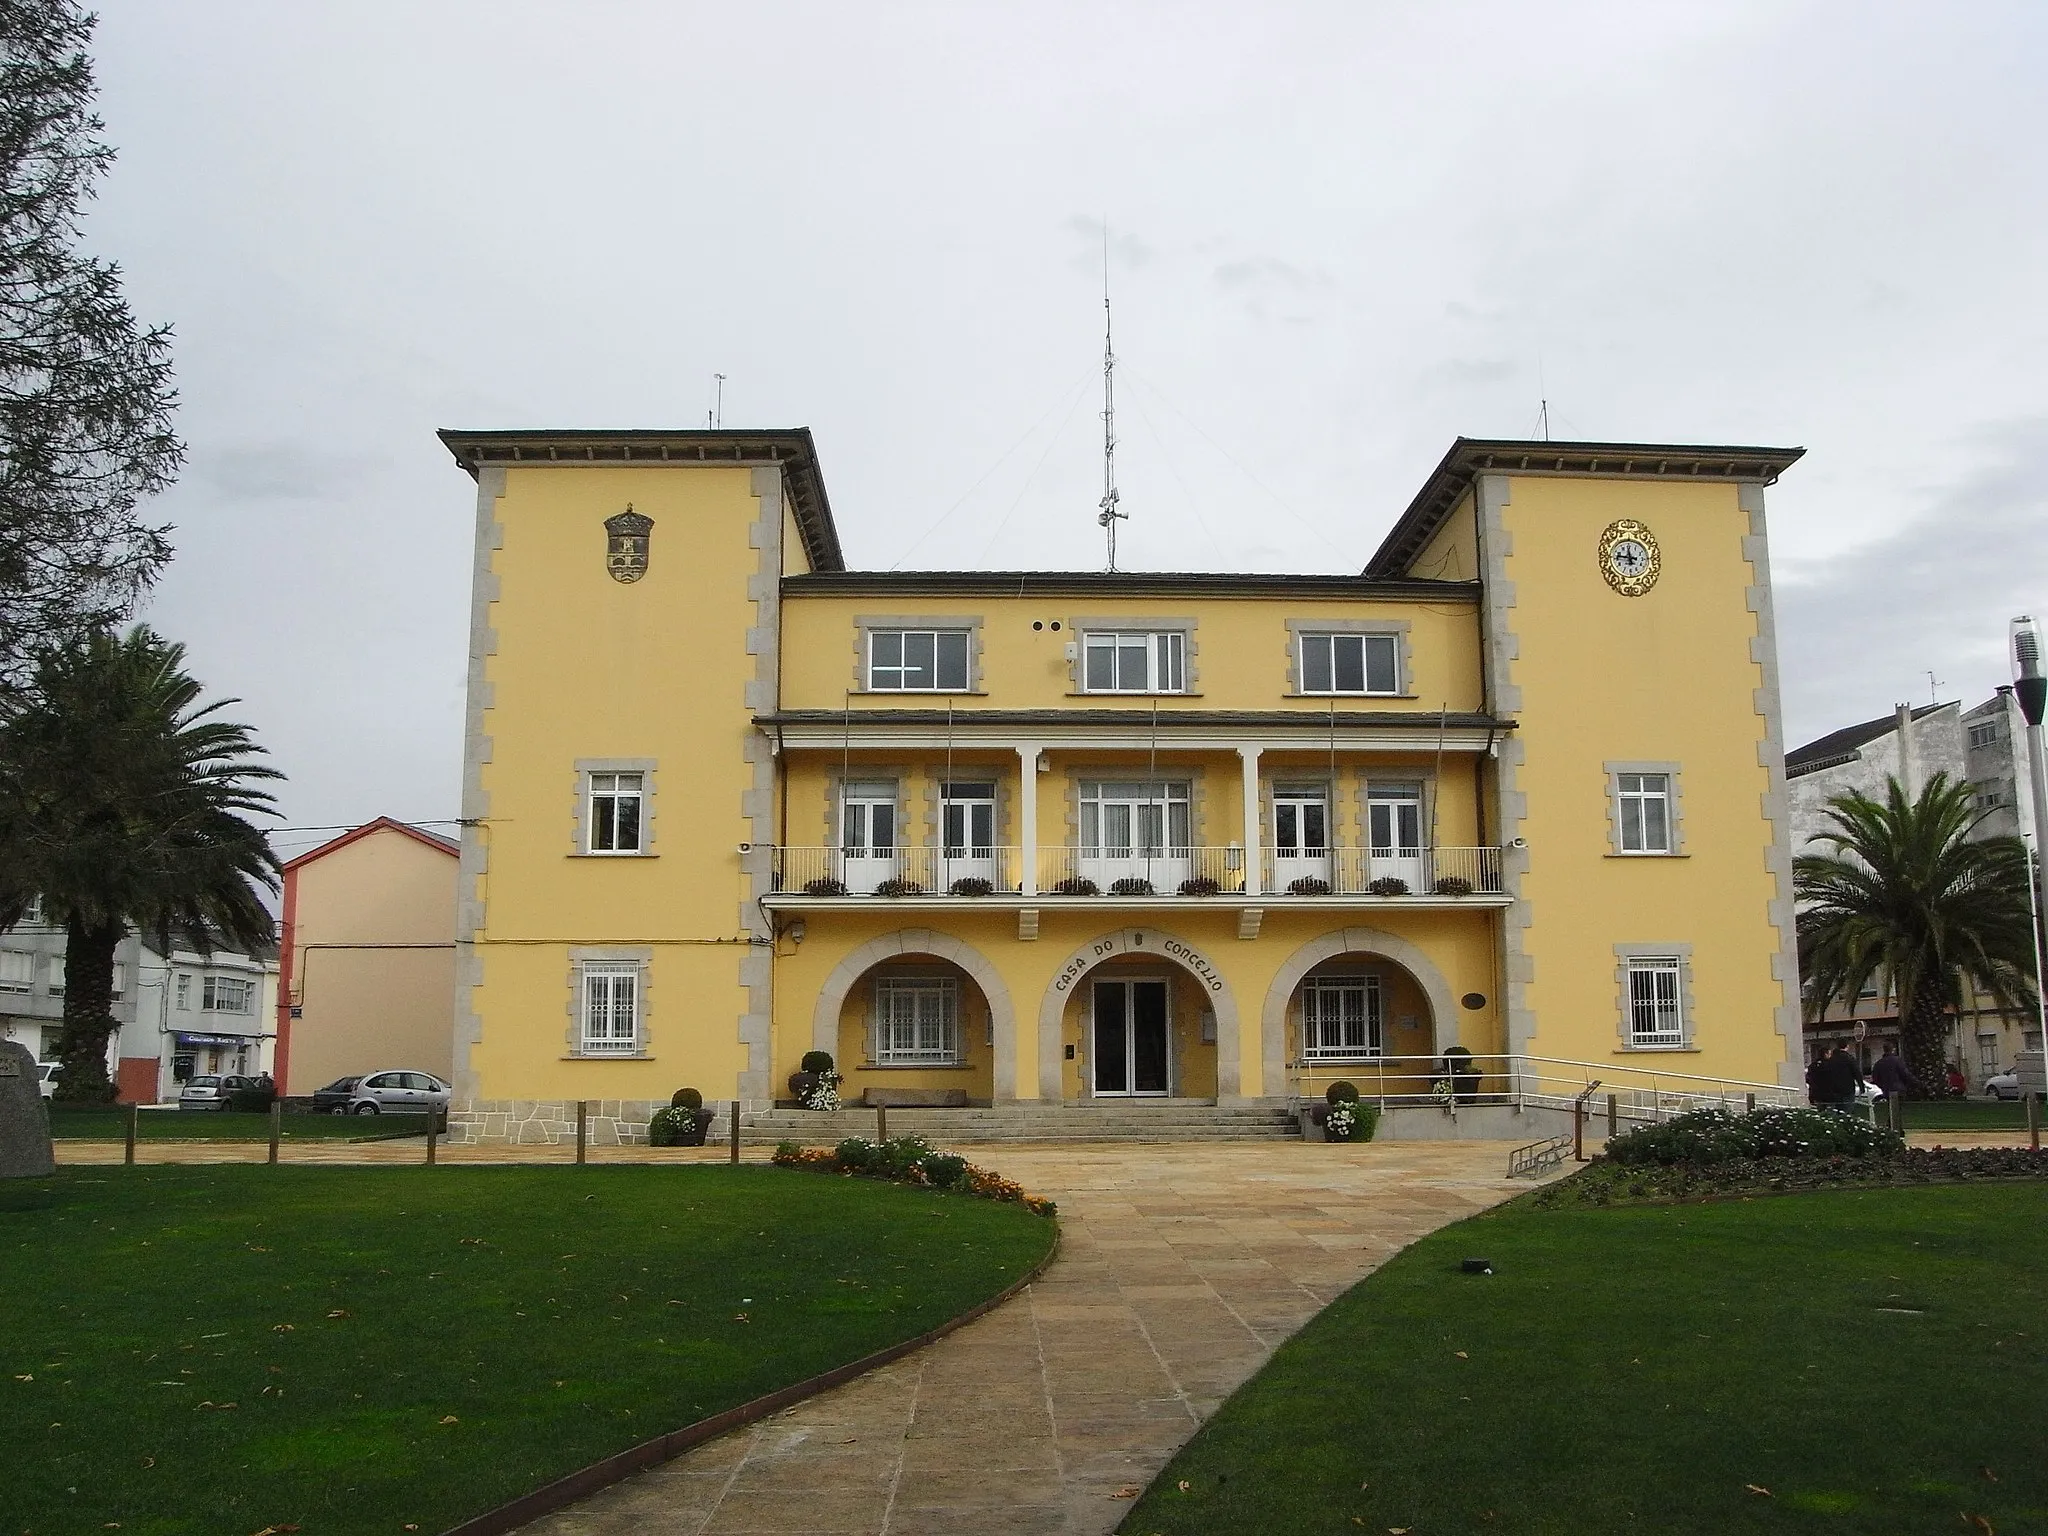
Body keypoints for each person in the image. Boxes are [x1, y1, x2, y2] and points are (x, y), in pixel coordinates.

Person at [1805, 1041, 1863, 1111]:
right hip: (1845, 1089)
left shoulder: (1828, 1061)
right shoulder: (1848, 1058)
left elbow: (1809, 1078)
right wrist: (1861, 1086)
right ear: (1847, 1046)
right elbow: (1857, 1073)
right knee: (1847, 1109)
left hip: (1829, 1091)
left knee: (1833, 1110)